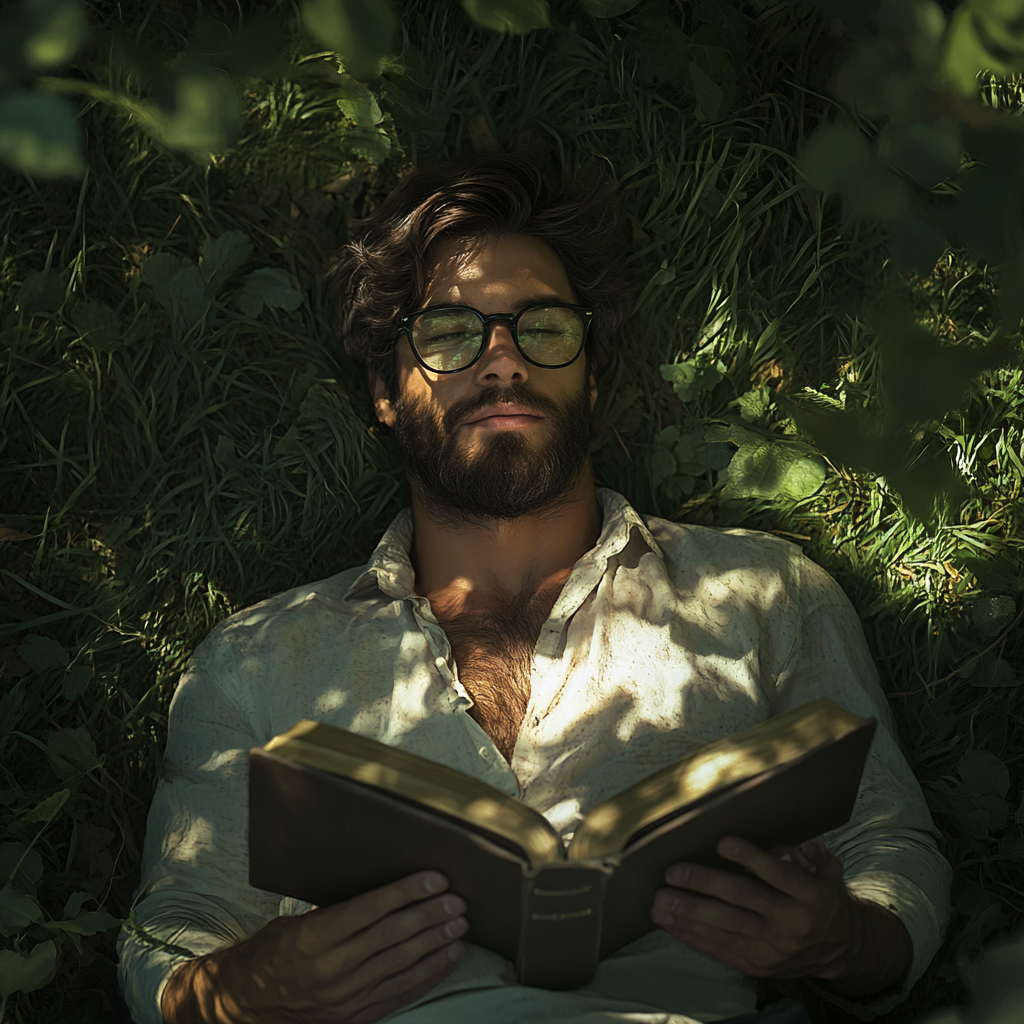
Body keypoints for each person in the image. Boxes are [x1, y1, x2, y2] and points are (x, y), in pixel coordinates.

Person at [117, 154, 952, 1024]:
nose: (504, 361)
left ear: (590, 372)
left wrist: (840, 941)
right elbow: (172, 932)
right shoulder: (255, 660)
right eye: (449, 332)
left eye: (543, 326)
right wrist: (246, 992)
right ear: (384, 391)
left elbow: (891, 850)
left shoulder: (761, 594)